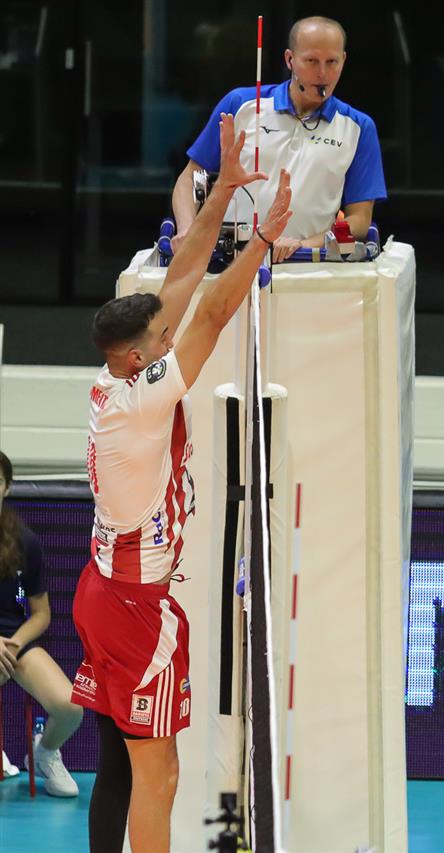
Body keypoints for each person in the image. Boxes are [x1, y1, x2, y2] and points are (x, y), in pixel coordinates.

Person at [72, 115, 292, 852]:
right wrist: (262, 241)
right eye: (162, 339)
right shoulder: (141, 400)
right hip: (135, 606)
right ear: (140, 359)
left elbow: (186, 279)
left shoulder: (120, 374)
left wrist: (223, 188)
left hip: (106, 589)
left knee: (122, 762)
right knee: (156, 772)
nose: (173, 337)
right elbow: (218, 309)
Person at [171, 16, 384, 263]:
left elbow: (359, 221)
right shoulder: (240, 104)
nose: (322, 73)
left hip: (306, 265)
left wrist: (303, 244)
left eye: (332, 62)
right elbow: (191, 177)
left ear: (343, 60)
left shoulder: (359, 127)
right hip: (227, 261)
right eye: (312, 61)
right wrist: (187, 230)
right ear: (290, 59)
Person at [0, 450, 83, 797]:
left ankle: (45, 752)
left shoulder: (24, 542)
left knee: (70, 706)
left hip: (13, 640)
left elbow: (40, 614)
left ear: (6, 488)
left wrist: (12, 646)